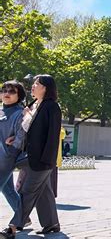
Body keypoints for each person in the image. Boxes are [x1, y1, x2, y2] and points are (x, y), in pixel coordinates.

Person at [2, 75, 62, 238]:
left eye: (37, 84)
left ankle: (13, 227)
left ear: (46, 88)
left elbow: (52, 136)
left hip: (42, 159)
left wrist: (47, 161)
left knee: (26, 192)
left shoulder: (52, 107)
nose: (33, 86)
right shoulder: (33, 105)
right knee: (43, 192)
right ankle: (52, 224)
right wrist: (15, 139)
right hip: (29, 156)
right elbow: (28, 131)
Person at [0, 81, 26, 224]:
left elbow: (22, 136)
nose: (6, 94)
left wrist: (15, 139)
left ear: (19, 95)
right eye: (4, 90)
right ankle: (23, 217)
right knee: (8, 189)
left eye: (11, 91)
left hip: (7, 158)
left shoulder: (20, 113)